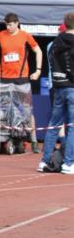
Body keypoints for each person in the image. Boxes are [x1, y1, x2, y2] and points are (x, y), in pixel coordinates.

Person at [0, 12, 42, 153]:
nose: (8, 27)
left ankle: (34, 140)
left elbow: (38, 51)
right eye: (6, 25)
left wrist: (38, 70)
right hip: (5, 78)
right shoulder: (0, 35)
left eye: (10, 25)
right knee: (5, 110)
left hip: (21, 79)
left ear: (17, 23)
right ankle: (9, 138)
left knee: (27, 110)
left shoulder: (25, 35)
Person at [38, 12, 74, 175]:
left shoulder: (53, 44)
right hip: (71, 87)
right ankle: (69, 162)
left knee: (54, 125)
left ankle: (44, 160)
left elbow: (52, 65)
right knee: (72, 127)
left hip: (57, 87)